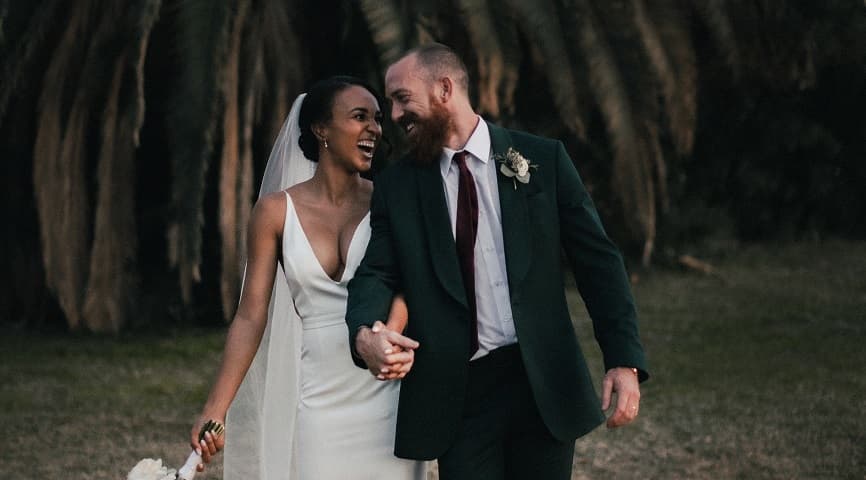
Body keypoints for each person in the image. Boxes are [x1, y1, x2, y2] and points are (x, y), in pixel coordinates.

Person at [347, 44, 649, 479]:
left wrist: (623, 359)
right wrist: (364, 334)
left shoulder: (543, 160)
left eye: (401, 98)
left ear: (444, 89)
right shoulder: (398, 186)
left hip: (542, 383)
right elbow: (377, 272)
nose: (393, 115)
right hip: (458, 393)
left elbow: (598, 262)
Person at [190, 76, 425, 479]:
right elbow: (250, 317)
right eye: (359, 117)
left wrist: (390, 340)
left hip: (387, 389)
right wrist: (215, 410)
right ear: (320, 128)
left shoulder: (390, 197)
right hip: (318, 397)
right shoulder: (274, 212)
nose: (374, 128)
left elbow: (410, 283)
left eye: (378, 119)